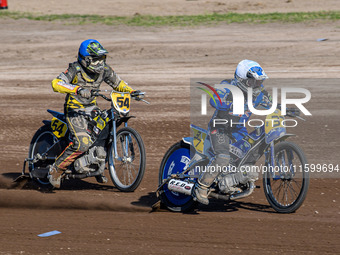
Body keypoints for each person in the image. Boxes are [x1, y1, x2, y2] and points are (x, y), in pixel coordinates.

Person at [48, 39, 139, 188]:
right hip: (75, 110)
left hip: (92, 108)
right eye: (96, 60)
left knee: (108, 127)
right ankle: (56, 169)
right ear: (86, 59)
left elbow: (118, 83)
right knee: (82, 143)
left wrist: (133, 92)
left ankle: (97, 165)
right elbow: (56, 83)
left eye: (101, 59)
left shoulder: (104, 70)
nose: (100, 63)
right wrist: (76, 89)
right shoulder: (75, 69)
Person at [193, 59, 273, 205]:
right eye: (252, 82)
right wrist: (224, 102)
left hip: (238, 130)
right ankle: (201, 187)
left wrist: (287, 109)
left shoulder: (260, 93)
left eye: (259, 82)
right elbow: (214, 99)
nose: (256, 86)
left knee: (246, 156)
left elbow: (273, 104)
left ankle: (232, 180)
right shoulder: (227, 87)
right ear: (241, 80)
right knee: (223, 157)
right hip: (220, 128)